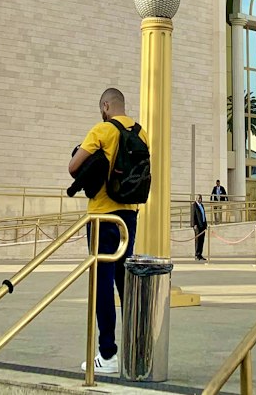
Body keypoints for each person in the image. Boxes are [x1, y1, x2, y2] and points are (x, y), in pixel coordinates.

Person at [68, 87, 149, 374]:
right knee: (124, 282)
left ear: (105, 105)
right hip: (129, 215)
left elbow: (73, 167)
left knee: (101, 283)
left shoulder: (101, 131)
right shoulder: (140, 133)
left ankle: (107, 354)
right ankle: (135, 349)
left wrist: (80, 150)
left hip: (102, 216)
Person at [192, 193, 208, 261]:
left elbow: (203, 215)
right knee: (198, 241)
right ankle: (196, 254)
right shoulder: (194, 205)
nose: (200, 199)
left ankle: (200, 254)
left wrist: (206, 224)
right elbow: (193, 215)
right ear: (196, 198)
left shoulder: (202, 205)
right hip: (197, 226)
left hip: (203, 225)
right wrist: (194, 224)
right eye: (199, 198)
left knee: (202, 241)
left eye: (201, 198)